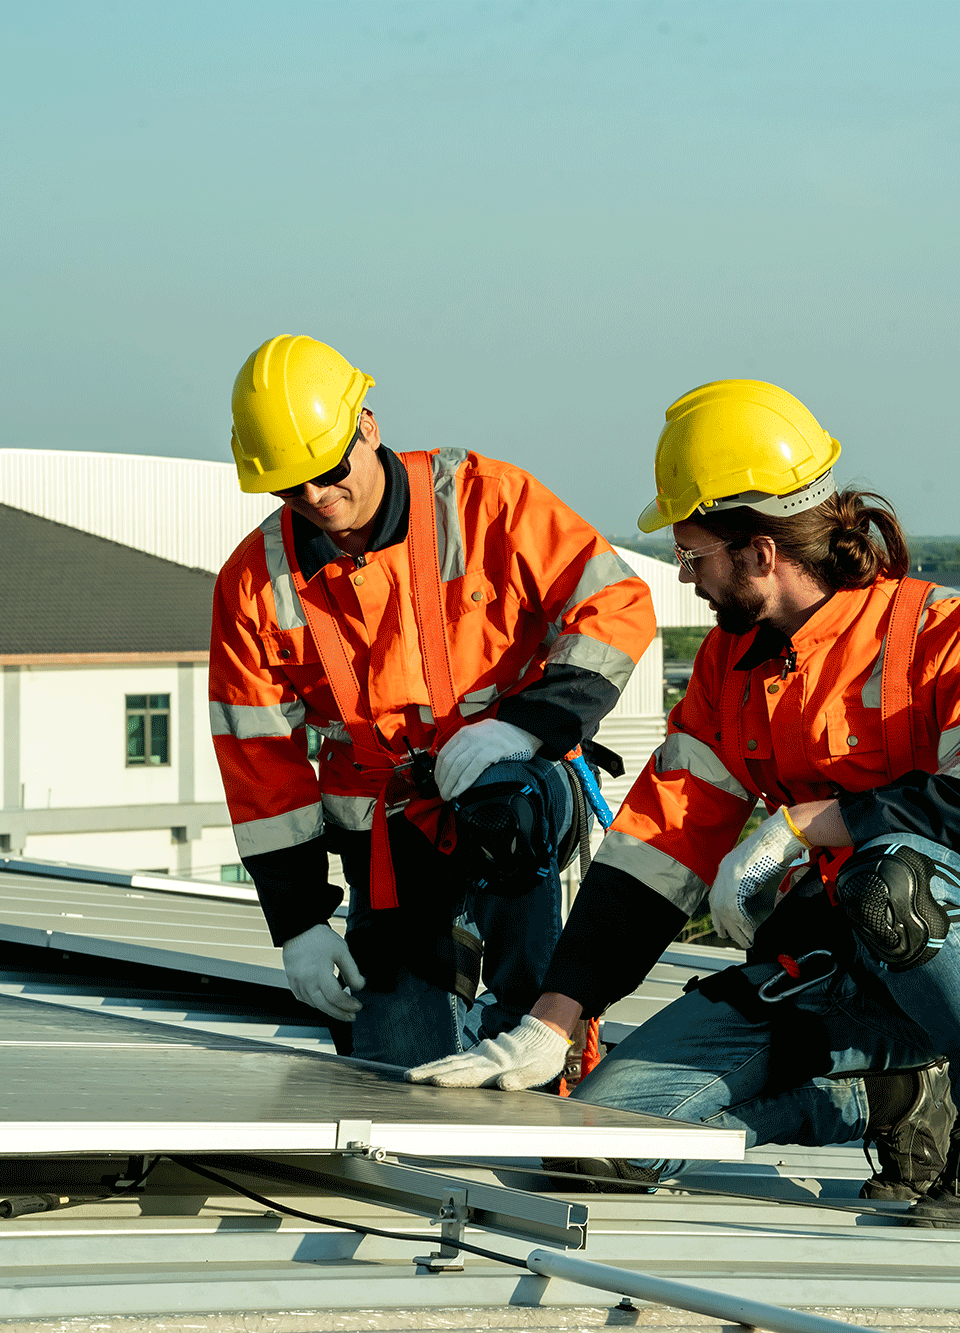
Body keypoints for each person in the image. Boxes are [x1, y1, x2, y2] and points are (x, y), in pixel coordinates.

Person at [407, 379, 960, 1229]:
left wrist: (814, 820)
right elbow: (660, 846)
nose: (687, 580)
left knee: (891, 880)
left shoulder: (955, 635)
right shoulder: (733, 667)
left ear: (759, 551)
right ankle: (885, 1103)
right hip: (832, 963)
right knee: (594, 1150)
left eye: (694, 557)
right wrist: (552, 1020)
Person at [210, 335, 656, 1069]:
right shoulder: (255, 583)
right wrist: (297, 921)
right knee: (395, 1074)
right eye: (292, 487)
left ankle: (543, 1042)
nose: (317, 498)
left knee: (529, 1032)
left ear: (369, 427)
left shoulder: (486, 502)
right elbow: (258, 759)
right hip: (386, 844)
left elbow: (615, 603)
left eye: (328, 471)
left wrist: (525, 724)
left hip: (511, 816)